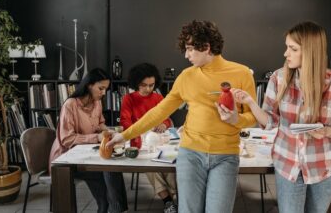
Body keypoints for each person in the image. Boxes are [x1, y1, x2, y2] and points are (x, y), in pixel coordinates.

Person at [107, 20, 257, 213]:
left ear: (206, 47)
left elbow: (252, 117)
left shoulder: (242, 73)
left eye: (189, 49)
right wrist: (124, 136)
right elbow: (159, 111)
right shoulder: (186, 76)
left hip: (225, 156)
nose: (186, 55)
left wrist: (236, 119)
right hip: (191, 154)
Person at [222, 21, 331, 213]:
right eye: (287, 47)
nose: (286, 54)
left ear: (310, 51)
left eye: (292, 49)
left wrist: (325, 131)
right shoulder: (278, 78)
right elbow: (270, 121)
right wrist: (250, 102)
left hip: (324, 166)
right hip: (287, 164)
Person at [49, 68, 128, 213]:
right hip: (65, 159)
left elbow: (99, 124)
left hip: (85, 154)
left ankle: (112, 208)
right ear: (89, 85)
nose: (104, 93)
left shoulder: (97, 102)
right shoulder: (70, 105)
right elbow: (67, 139)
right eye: (101, 88)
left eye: (106, 89)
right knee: (109, 169)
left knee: (112, 166)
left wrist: (110, 131)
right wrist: (96, 137)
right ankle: (115, 209)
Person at [120, 63, 177, 213]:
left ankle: (171, 200)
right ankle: (168, 201)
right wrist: (139, 129)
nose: (148, 89)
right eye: (144, 85)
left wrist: (164, 124)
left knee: (169, 164)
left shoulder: (158, 97)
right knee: (150, 165)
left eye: (151, 85)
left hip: (159, 139)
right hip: (138, 139)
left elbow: (166, 118)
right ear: (136, 83)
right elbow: (125, 122)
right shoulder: (128, 99)